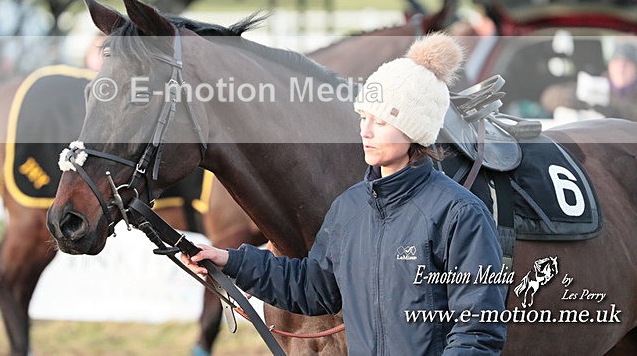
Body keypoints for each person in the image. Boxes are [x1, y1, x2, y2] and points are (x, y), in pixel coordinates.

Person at [183, 33, 507, 354]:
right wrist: (230, 261)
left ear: (414, 129)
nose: (365, 131)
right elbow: (312, 288)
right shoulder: (349, 208)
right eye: (363, 117)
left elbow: (477, 331)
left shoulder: (460, 214)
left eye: (380, 121)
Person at [541, 37, 637, 121]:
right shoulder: (595, 84)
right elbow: (548, 97)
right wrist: (572, 98)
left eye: (627, 64)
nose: (621, 69)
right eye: (616, 63)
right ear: (609, 65)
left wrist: (615, 110)